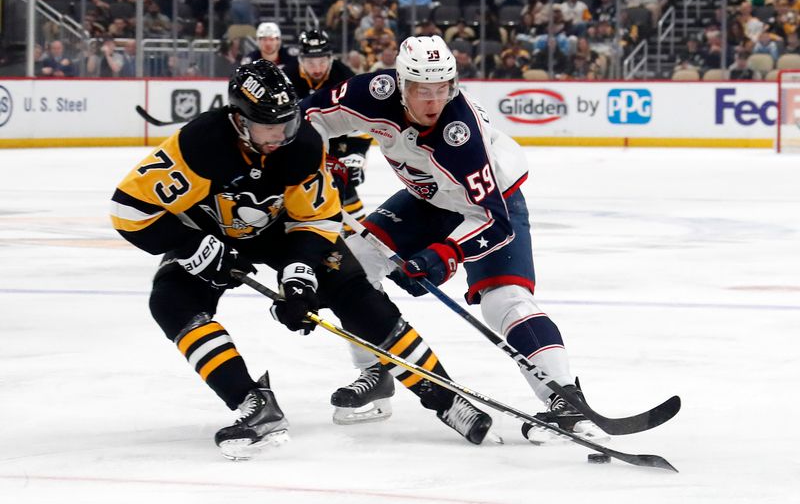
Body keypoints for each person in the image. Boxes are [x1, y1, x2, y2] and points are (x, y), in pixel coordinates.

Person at [109, 59, 493, 460]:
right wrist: (196, 249)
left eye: (287, 123)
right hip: (210, 233)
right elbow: (130, 211)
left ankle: (447, 398)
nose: (281, 135)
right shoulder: (201, 144)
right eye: (268, 126)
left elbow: (319, 218)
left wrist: (298, 277)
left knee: (353, 290)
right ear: (239, 120)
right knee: (170, 301)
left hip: (282, 230)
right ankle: (254, 405)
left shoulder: (302, 144)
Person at [302, 35, 604, 444]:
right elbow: (309, 117)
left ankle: (565, 399)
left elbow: (493, 221)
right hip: (426, 197)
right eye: (422, 90)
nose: (432, 101)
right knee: (352, 265)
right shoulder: (373, 92)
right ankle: (376, 370)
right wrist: (307, 163)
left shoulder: (461, 136)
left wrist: (444, 253)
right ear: (401, 83)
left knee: (503, 300)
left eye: (441, 89)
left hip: (492, 202)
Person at [283, 29, 372, 231]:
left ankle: (354, 234)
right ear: (300, 60)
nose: (317, 68)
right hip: (298, 142)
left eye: (322, 62)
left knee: (343, 183)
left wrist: (356, 155)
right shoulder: (285, 80)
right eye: (311, 62)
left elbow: (362, 120)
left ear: (331, 59)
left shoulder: (345, 78)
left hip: (338, 140)